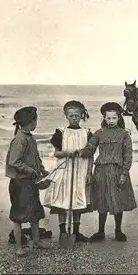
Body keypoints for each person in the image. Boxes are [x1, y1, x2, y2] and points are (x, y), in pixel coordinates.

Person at [78, 102, 137, 242]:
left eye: (114, 118)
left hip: (117, 171)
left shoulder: (124, 134)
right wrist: (79, 152)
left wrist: (124, 172)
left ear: (119, 118)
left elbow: (128, 155)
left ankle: (118, 231)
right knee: (102, 201)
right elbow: (90, 149)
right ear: (104, 118)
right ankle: (100, 231)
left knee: (119, 201)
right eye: (108, 118)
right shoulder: (99, 133)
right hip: (101, 171)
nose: (111, 121)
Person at [42, 100, 93, 242]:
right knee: (63, 201)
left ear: (82, 115)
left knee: (77, 199)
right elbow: (56, 154)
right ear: (66, 116)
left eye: (77, 115)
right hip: (65, 170)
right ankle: (63, 231)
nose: (74, 118)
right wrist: (66, 153)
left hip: (80, 170)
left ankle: (76, 232)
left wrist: (89, 172)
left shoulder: (87, 133)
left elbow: (90, 155)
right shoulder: (61, 133)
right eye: (71, 116)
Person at [5, 106, 52, 256]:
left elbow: (36, 159)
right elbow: (14, 161)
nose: (35, 123)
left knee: (35, 213)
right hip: (20, 183)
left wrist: (42, 170)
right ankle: (19, 247)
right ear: (31, 122)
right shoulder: (20, 139)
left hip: (30, 182)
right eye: (34, 120)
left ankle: (36, 242)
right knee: (19, 216)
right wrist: (31, 171)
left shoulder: (30, 137)